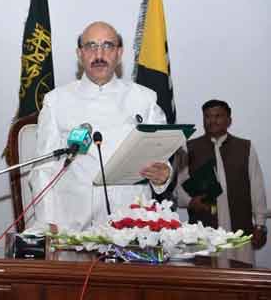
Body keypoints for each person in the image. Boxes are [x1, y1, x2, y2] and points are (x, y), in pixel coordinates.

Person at [27, 21, 171, 233]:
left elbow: (161, 157)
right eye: (91, 46)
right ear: (80, 54)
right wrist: (49, 222)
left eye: (107, 46)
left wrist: (164, 174)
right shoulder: (56, 101)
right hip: (73, 226)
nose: (99, 54)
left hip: (132, 224)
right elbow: (44, 169)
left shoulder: (145, 99)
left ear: (119, 53)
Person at [177, 99, 267, 264]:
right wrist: (190, 201)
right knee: (205, 279)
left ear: (229, 120)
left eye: (218, 116)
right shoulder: (188, 148)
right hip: (203, 225)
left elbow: (256, 186)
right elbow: (179, 186)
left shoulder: (245, 147)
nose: (212, 120)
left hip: (239, 225)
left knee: (239, 281)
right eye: (207, 117)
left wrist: (260, 224)